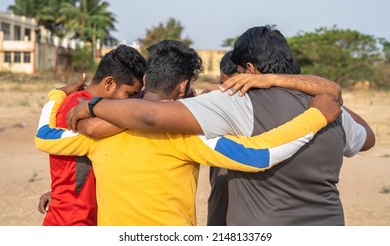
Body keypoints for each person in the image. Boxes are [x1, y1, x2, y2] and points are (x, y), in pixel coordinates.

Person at [65, 26, 374, 226]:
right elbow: (368, 138)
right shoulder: (334, 111)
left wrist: (92, 106)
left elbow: (151, 115)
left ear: (249, 70)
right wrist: (320, 105)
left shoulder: (238, 103)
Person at [37, 44, 147, 226]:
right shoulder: (80, 107)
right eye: (130, 94)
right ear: (109, 83)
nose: (130, 102)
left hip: (74, 213)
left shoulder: (81, 102)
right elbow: (99, 129)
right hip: (74, 218)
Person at [205, 50, 238, 226]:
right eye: (222, 84)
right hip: (221, 194)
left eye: (233, 86)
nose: (226, 91)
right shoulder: (215, 102)